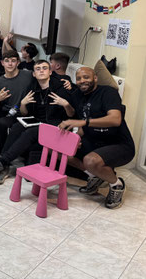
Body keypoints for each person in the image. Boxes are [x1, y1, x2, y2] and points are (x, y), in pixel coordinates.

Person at [0, 60, 74, 183]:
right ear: (34, 74)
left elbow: (72, 114)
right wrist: (23, 104)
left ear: (50, 72)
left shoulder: (61, 88)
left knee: (30, 132)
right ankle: (4, 165)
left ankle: (2, 162)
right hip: (37, 122)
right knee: (16, 127)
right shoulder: (33, 88)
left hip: (56, 126)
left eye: (44, 68)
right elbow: (25, 113)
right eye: (38, 69)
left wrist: (66, 104)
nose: (41, 71)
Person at [58, 67, 135, 209]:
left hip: (119, 144)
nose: (82, 81)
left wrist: (84, 122)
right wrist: (75, 139)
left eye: (86, 77)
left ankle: (116, 185)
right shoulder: (77, 95)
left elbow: (115, 119)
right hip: (93, 141)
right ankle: (95, 175)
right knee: (60, 149)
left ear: (95, 78)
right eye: (79, 78)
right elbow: (83, 122)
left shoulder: (108, 92)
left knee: (91, 160)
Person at [0, 50, 33, 158]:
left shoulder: (28, 75)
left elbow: (45, 76)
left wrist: (66, 82)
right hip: (6, 111)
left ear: (18, 62)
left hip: (22, 112)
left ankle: (4, 154)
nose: (10, 64)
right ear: (2, 63)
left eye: (13, 61)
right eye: (7, 61)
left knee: (3, 123)